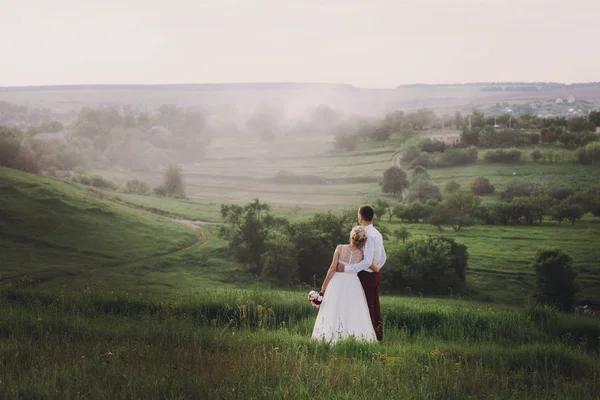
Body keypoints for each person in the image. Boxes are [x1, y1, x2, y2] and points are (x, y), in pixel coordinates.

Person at [311, 226, 380, 343]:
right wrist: (377, 267)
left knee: (334, 308)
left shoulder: (340, 248)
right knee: (353, 310)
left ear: (351, 237)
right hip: (353, 284)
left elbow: (332, 268)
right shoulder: (362, 254)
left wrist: (323, 288)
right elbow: (373, 266)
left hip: (337, 282)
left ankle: (329, 337)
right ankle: (353, 338)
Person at [337, 205, 386, 341]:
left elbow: (367, 261)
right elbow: (383, 257)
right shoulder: (377, 233)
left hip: (366, 275)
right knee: (375, 305)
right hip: (374, 275)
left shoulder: (367, 235)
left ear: (361, 216)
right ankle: (377, 334)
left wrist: (347, 269)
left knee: (366, 306)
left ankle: (369, 337)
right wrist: (377, 268)